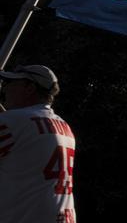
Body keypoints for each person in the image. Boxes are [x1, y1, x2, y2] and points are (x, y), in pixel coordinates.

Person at [0, 65, 76, 223]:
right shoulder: (64, 126)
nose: (4, 89)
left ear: (29, 88)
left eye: (9, 83)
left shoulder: (13, 122)